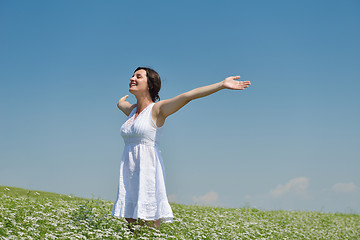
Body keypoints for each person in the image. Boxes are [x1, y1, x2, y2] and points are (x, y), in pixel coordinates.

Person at [112, 67, 251, 230]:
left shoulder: (158, 110)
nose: (132, 78)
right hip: (130, 173)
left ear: (150, 84)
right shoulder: (132, 111)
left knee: (149, 223)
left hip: (148, 173)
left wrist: (221, 84)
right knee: (131, 224)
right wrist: (120, 102)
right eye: (132, 75)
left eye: (138, 76)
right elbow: (122, 105)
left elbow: (188, 96)